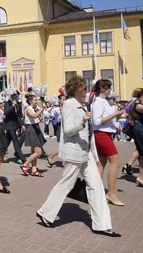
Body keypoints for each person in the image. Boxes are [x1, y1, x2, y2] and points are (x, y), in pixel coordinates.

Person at [36, 75, 120, 237]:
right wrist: (81, 122)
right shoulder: (69, 104)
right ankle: (46, 213)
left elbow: (89, 133)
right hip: (74, 152)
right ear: (76, 89)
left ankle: (102, 224)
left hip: (86, 152)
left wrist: (93, 153)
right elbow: (67, 130)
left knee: (96, 186)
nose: (86, 91)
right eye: (83, 88)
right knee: (66, 184)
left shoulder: (82, 105)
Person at [91, 79, 125, 206]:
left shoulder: (101, 101)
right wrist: (116, 114)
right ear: (103, 89)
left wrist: (117, 115)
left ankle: (96, 191)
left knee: (102, 163)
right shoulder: (99, 101)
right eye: (108, 87)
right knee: (115, 162)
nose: (110, 90)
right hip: (102, 134)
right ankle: (111, 193)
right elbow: (97, 121)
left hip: (104, 134)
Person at [19, 95, 45, 177]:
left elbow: (40, 115)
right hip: (31, 129)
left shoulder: (35, 108)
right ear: (30, 101)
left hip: (36, 128)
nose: (36, 101)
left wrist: (42, 109)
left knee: (34, 152)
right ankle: (25, 165)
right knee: (38, 152)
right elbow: (34, 116)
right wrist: (41, 109)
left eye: (37, 100)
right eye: (35, 100)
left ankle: (34, 170)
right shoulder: (28, 109)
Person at [128, 88, 143, 187]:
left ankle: (141, 177)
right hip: (140, 128)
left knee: (141, 153)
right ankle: (141, 177)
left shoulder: (136, 104)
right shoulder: (138, 105)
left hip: (139, 128)